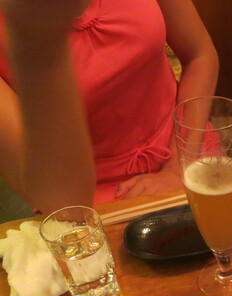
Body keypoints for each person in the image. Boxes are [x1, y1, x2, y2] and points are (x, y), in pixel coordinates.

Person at [0, 0, 218, 213]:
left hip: (187, 140)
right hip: (86, 192)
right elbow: (59, 197)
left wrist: (178, 166)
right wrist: (39, 39)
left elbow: (199, 55)